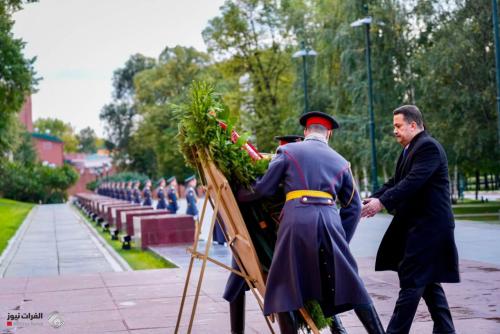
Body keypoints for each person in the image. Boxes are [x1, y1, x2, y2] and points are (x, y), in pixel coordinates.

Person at [237, 111, 384, 334]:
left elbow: (264, 189)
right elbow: (353, 207)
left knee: (283, 287)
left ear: (305, 132)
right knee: (352, 283)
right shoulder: (342, 162)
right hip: (330, 222)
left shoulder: (287, 151)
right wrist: (340, 239)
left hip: (296, 221)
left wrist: (238, 194)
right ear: (329, 134)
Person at [361, 105, 459, 334]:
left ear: (413, 125)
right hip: (420, 228)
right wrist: (371, 199)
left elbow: (412, 182)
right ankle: (446, 330)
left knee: (412, 281)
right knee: (428, 283)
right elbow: (395, 181)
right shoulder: (410, 149)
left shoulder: (428, 148)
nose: (394, 130)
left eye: (398, 126)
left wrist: (382, 203)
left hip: (429, 229)